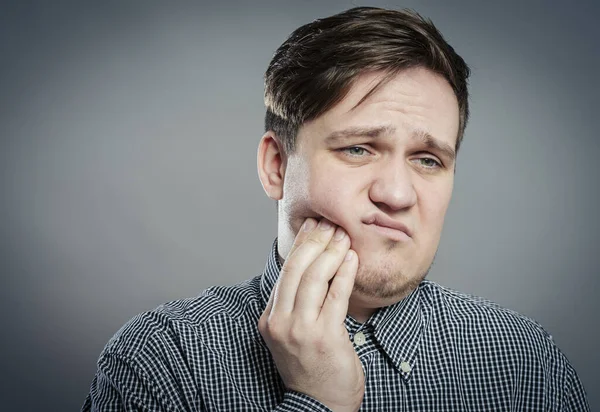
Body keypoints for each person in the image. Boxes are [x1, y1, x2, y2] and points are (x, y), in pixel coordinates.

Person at [82, 7, 589, 411]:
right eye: (358, 148)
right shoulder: (161, 364)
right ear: (277, 165)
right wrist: (319, 403)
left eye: (428, 159)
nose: (397, 194)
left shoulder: (526, 365)